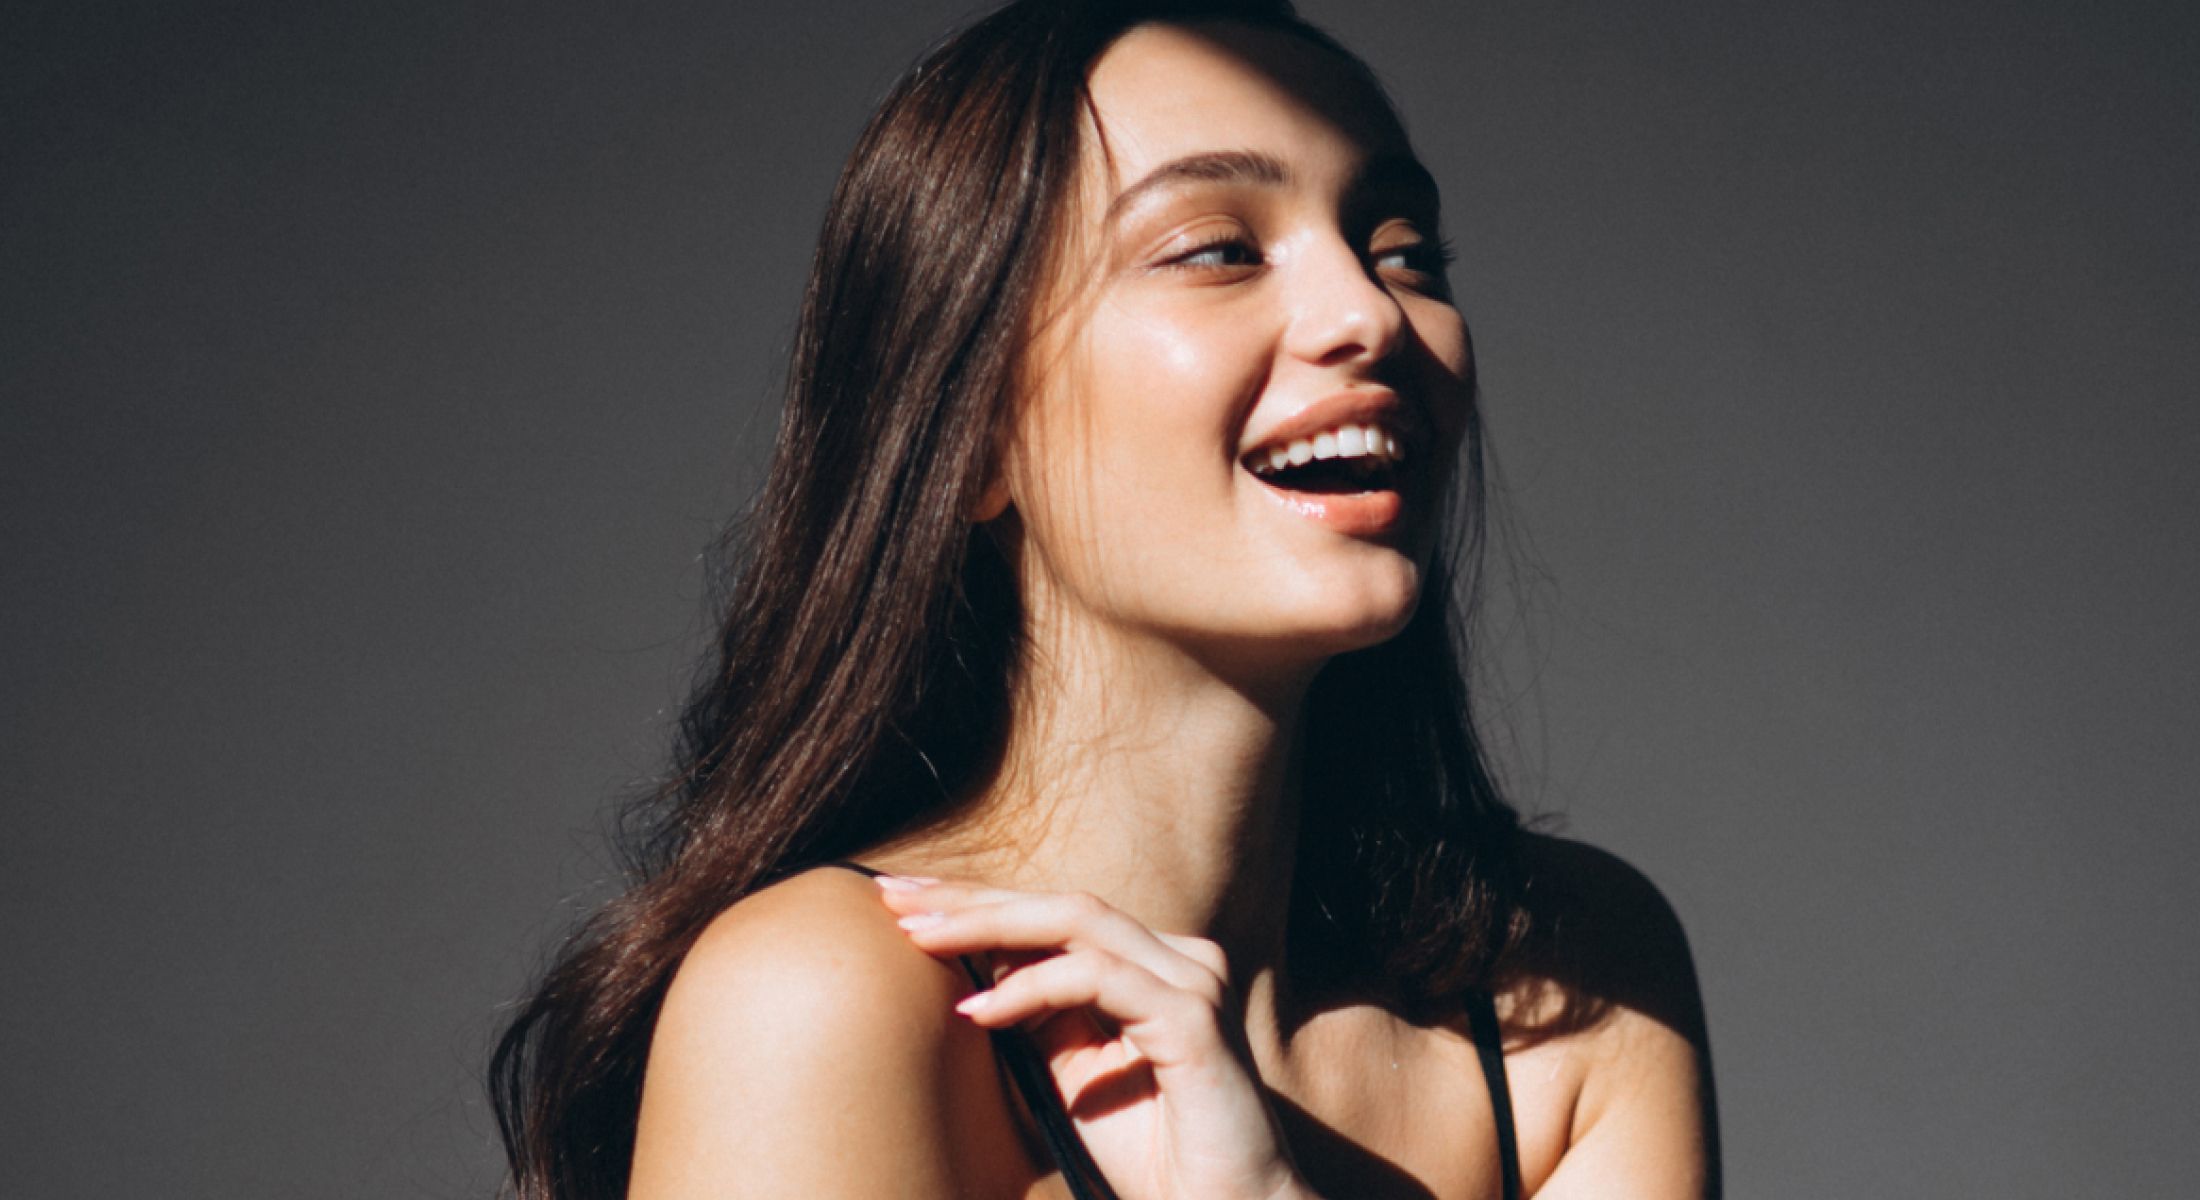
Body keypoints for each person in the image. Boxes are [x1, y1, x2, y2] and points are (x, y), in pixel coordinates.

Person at [490, 2, 1716, 1197]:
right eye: (1217, 249)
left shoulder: (1575, 982)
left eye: (1405, 253)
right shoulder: (824, 999)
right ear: (969, 434)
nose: (1368, 315)